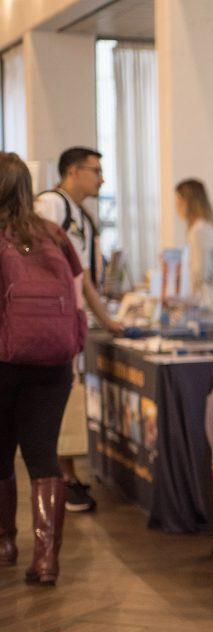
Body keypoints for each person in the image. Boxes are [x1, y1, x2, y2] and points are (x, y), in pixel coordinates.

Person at [1, 152, 88, 585]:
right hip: (54, 362)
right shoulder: (54, 233)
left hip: (2, 360)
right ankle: (46, 560)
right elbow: (78, 296)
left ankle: (4, 543)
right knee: (42, 456)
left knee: (0, 455)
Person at [34, 146, 123, 514]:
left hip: (72, 322)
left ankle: (66, 475)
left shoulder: (80, 216)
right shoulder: (51, 205)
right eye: (95, 170)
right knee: (60, 402)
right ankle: (62, 480)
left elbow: (83, 278)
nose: (101, 178)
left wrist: (105, 320)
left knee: (69, 400)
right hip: (55, 324)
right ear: (72, 171)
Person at [175, 179, 213, 314]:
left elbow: (201, 273)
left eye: (178, 199)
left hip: (210, 305)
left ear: (186, 201)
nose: (175, 204)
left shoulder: (199, 230)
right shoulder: (206, 226)